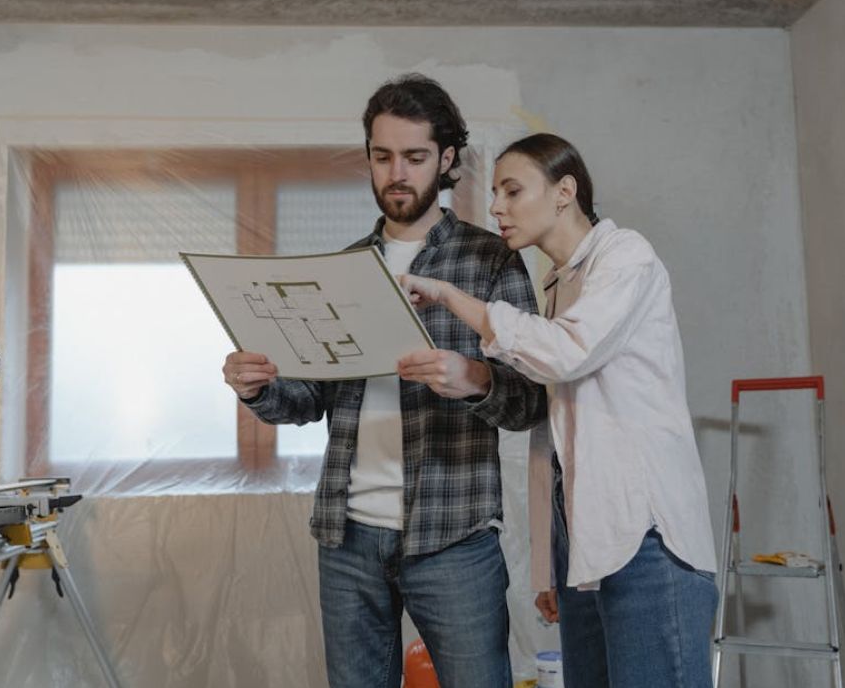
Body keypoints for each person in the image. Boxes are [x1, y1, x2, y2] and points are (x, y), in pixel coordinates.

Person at [222, 74, 546, 688]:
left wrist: (474, 378)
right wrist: (258, 387)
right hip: (347, 539)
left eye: (416, 157)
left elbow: (530, 402)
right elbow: (311, 399)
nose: (397, 173)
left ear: (447, 160)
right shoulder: (343, 267)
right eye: (382, 156)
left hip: (455, 535)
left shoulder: (492, 260)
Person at [399, 133, 718, 688]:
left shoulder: (626, 257)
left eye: (512, 190)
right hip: (588, 543)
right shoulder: (559, 284)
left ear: (564, 191)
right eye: (495, 192)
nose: (497, 206)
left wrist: (452, 297)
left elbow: (566, 354)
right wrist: (554, 566)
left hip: (647, 538)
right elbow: (555, 439)